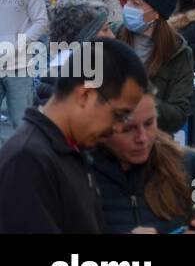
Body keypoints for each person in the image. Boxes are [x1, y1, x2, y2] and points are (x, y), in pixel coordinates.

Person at [0, 37, 148, 232]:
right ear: (85, 95)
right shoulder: (27, 160)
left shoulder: (68, 149)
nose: (119, 128)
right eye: (119, 115)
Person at [92, 90, 195, 234]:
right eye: (128, 129)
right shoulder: (81, 176)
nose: (142, 138)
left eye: (149, 123)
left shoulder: (189, 166)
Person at [119, 0, 194, 135]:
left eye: (136, 3)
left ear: (156, 13)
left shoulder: (179, 52)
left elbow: (178, 115)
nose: (127, 8)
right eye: (127, 0)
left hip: (151, 143)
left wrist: (139, 98)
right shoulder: (111, 35)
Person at [0, 0, 47, 146]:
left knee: (22, 122)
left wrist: (18, 45)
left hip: (19, 64)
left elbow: (41, 21)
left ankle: (23, 163)